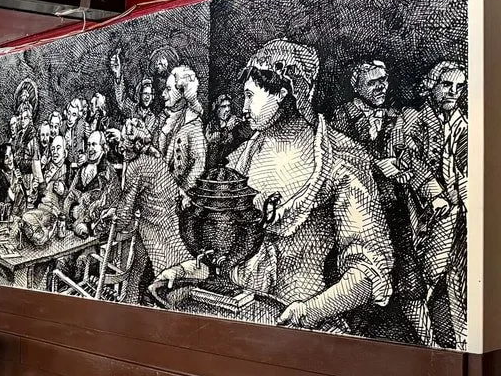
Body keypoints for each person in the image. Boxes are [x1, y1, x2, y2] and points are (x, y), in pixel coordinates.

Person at [152, 39, 393, 332]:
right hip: (238, 315)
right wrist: (181, 272)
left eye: (250, 96)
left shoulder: (340, 159)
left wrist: (310, 310)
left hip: (302, 326)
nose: (243, 108)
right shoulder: (243, 156)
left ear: (281, 93)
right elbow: (226, 253)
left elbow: (367, 272)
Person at [331, 59, 421, 344]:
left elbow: (408, 153)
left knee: (407, 276)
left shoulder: (397, 116)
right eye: (373, 82)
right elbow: (338, 157)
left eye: (383, 80)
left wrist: (404, 165)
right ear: (357, 86)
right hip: (359, 212)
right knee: (359, 276)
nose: (381, 87)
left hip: (394, 209)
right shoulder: (342, 116)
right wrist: (376, 164)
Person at [391, 60, 468, 348]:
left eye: (459, 87)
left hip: (454, 212)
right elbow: (407, 158)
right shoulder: (412, 117)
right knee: (418, 281)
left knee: (451, 276)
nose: (454, 92)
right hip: (415, 210)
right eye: (447, 85)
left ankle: (455, 343)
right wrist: (433, 193)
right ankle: (429, 345)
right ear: (430, 85)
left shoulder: (462, 123)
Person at [100, 123, 188, 303]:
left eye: (125, 143)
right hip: (169, 218)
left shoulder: (136, 167)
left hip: (156, 225)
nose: (121, 147)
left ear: (134, 145)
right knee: (140, 266)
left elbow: (125, 212)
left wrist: (104, 226)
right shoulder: (154, 156)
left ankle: (138, 302)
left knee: (167, 275)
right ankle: (131, 301)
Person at [157, 65, 207, 193]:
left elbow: (198, 166)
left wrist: (181, 191)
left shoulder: (193, 124)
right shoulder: (167, 120)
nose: (163, 94)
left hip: (182, 196)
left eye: (169, 89)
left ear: (182, 92)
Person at [18, 135, 69, 246]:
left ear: (65, 153)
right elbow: (39, 195)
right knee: (25, 218)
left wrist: (63, 190)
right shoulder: (47, 168)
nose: (55, 152)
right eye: (53, 149)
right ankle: (39, 232)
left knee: (36, 235)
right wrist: (35, 189)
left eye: (58, 148)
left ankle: (43, 233)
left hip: (54, 214)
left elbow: (72, 194)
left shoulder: (68, 170)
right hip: (40, 210)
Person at [64, 130, 116, 237]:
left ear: (102, 147)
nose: (90, 148)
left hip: (94, 230)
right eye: (88, 145)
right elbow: (70, 194)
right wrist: (72, 210)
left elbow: (109, 203)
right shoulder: (82, 168)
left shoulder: (108, 171)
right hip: (73, 224)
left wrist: (87, 219)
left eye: (94, 144)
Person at [204, 93, 243, 170]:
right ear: (217, 108)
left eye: (229, 106)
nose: (227, 109)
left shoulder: (236, 122)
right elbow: (209, 140)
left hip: (230, 165)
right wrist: (226, 129)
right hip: (212, 166)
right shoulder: (211, 124)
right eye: (223, 106)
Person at [0, 142, 25, 220]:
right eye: (6, 157)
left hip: (19, 213)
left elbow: (23, 197)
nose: (10, 159)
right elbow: (12, 199)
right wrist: (15, 184)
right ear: (2, 160)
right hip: (6, 217)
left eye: (10, 154)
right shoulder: (0, 177)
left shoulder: (16, 173)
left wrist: (19, 182)